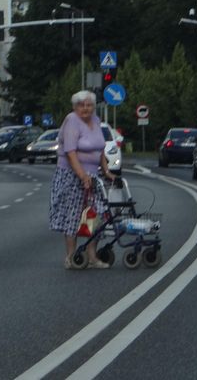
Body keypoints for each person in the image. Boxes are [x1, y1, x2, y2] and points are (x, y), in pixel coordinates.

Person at [49, 90, 116, 269]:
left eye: (89, 105)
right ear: (75, 107)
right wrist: (82, 175)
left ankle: (92, 256)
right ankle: (70, 257)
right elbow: (70, 152)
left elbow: (100, 148)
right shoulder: (72, 120)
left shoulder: (95, 120)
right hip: (71, 175)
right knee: (74, 215)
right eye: (81, 105)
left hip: (93, 175)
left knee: (96, 214)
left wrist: (106, 170)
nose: (85, 109)